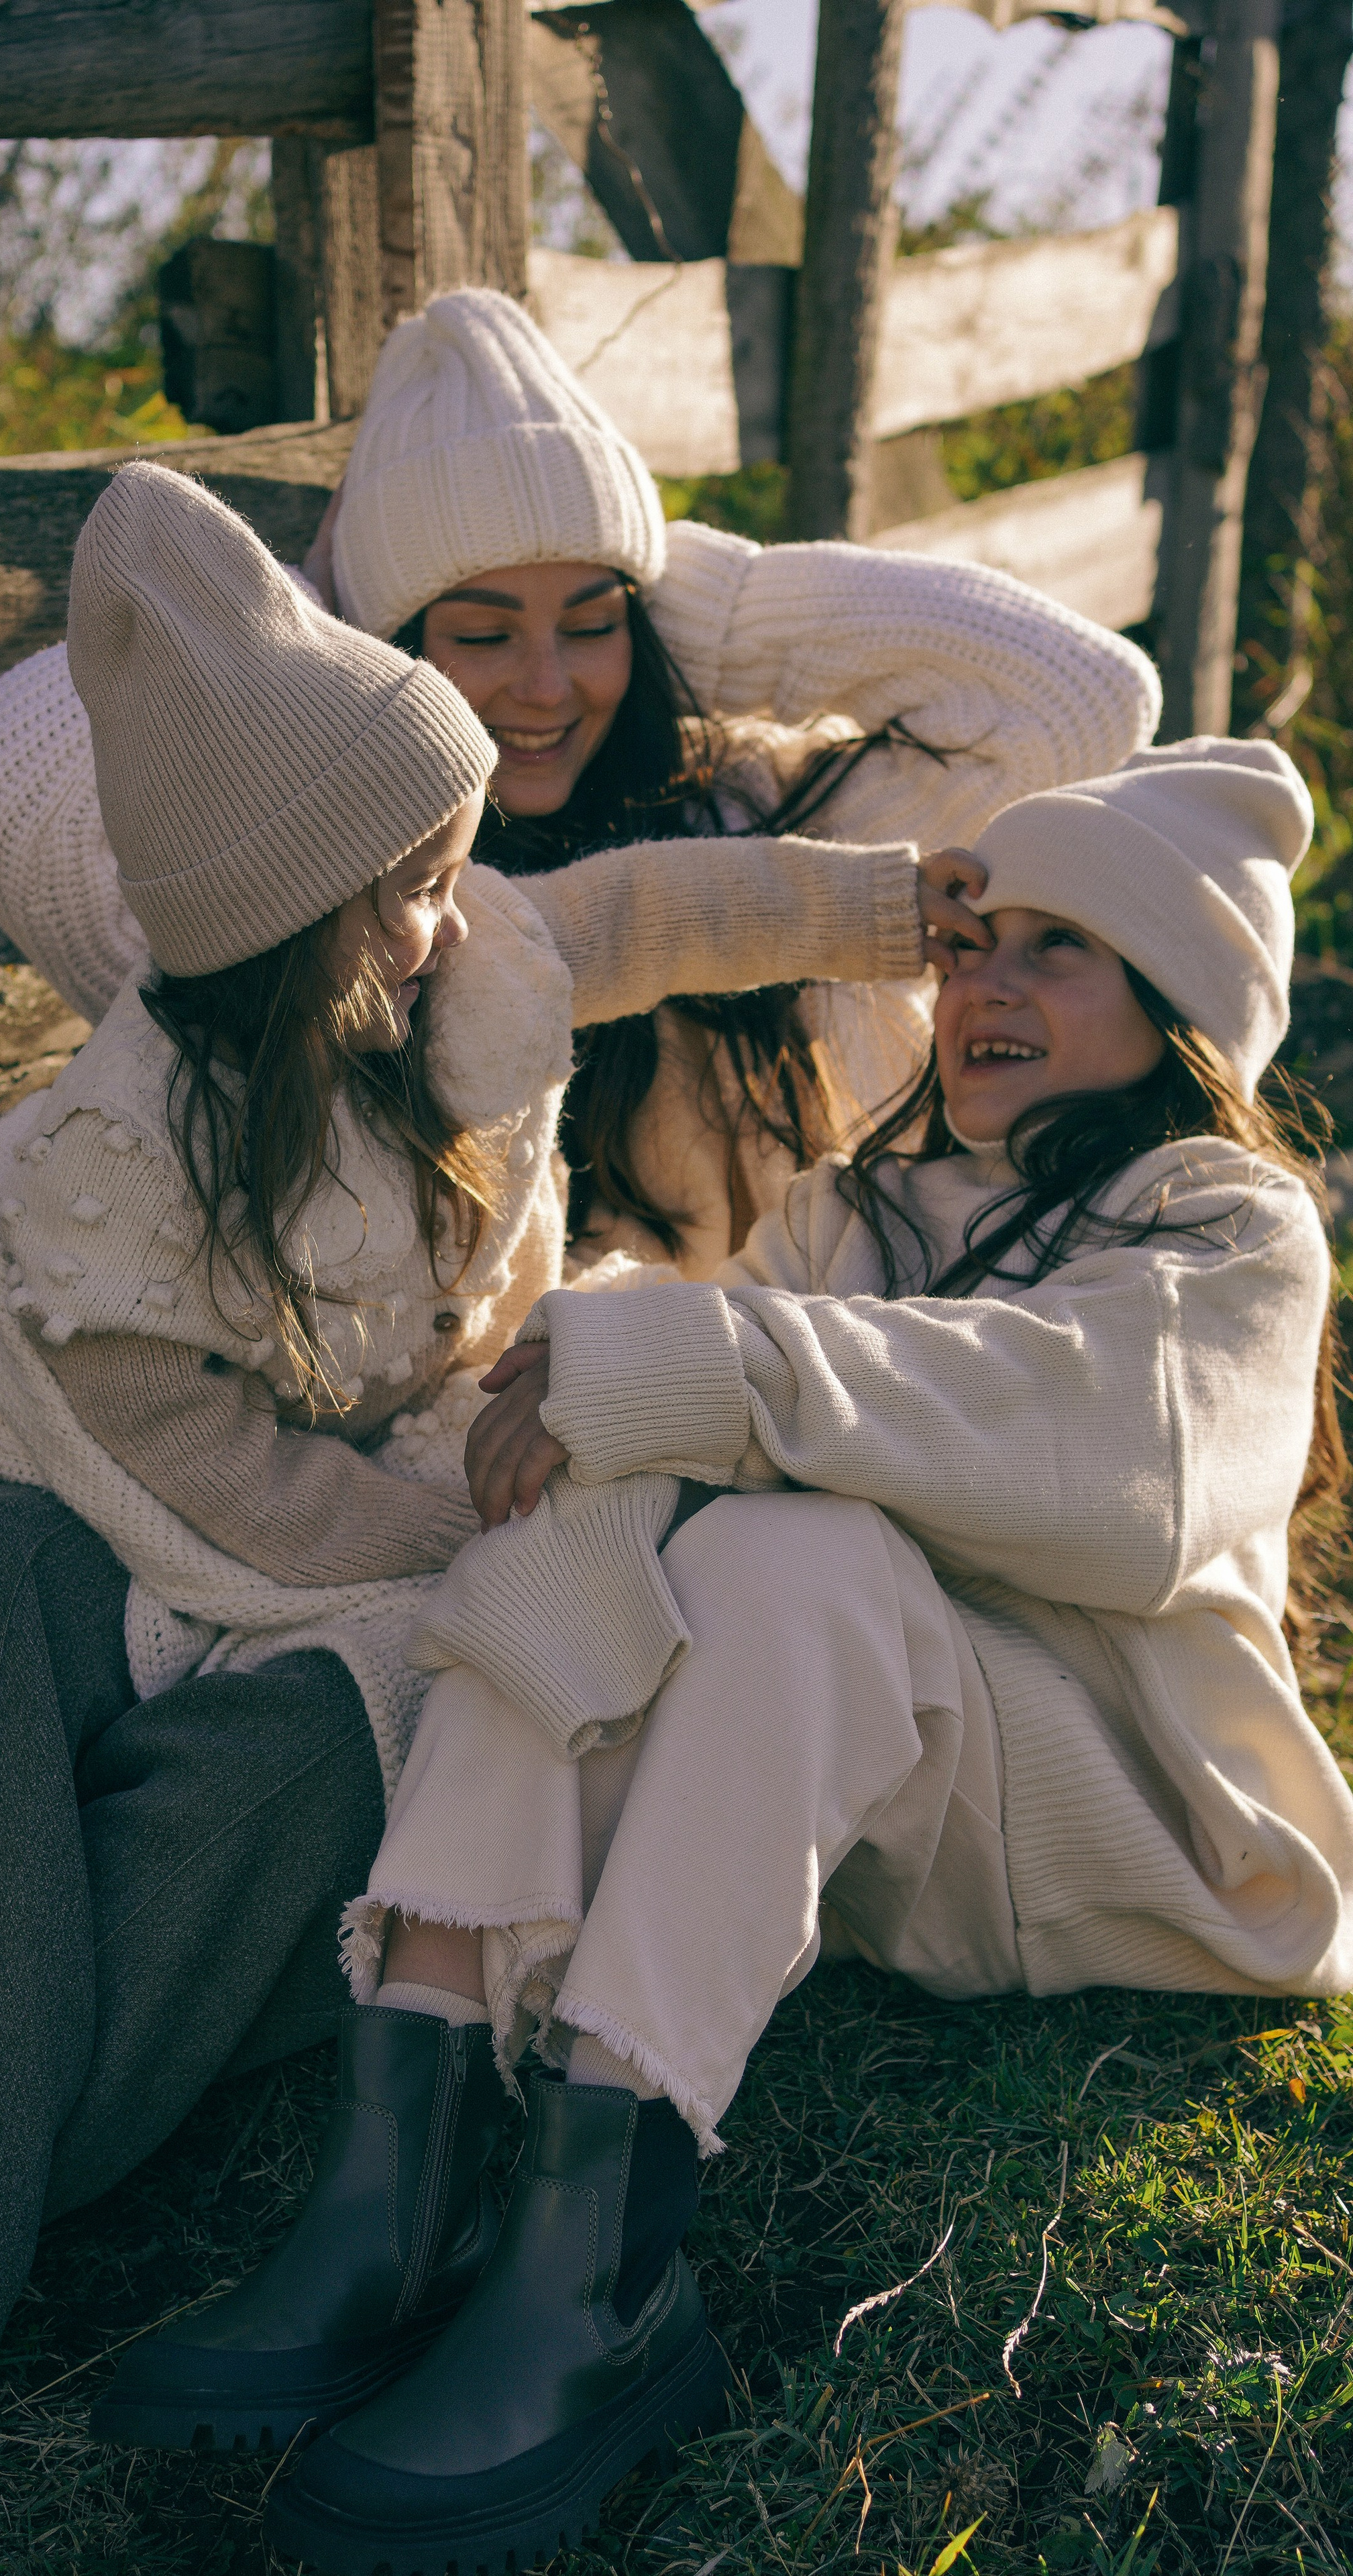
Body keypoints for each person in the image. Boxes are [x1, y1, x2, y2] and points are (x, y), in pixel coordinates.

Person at [0, 459, 987, 2532]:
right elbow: (187, 1464)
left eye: (453, 872)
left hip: (378, 1562)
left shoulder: (463, 973)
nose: (457, 916)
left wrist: (905, 906)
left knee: (319, 1741)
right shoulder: (116, 1155)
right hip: (146, 1526)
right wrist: (429, 1546)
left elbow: (653, 914)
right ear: (284, 918)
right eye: (412, 885)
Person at [89, 737, 1353, 2576]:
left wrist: (713, 1374)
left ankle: (596, 2263)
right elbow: (698, 1386)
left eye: (1063, 951)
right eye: (980, 939)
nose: (988, 981)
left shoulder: (1226, 1232)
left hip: (1131, 1836)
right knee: (592, 1510)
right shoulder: (856, 1210)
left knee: (792, 1542)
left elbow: (1105, 1462)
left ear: (1180, 1013)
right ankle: (413, 2144)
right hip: (894, 1817)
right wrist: (602, 1401)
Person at [0, 288, 1162, 1277]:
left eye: (590, 624)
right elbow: (4, 779)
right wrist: (317, 632)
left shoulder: (746, 809)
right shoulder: (345, 930)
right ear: (396, 651)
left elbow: (1081, 701)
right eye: (477, 634)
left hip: (800, 1401)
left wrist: (684, 604)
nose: (545, 687)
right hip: (507, 1475)